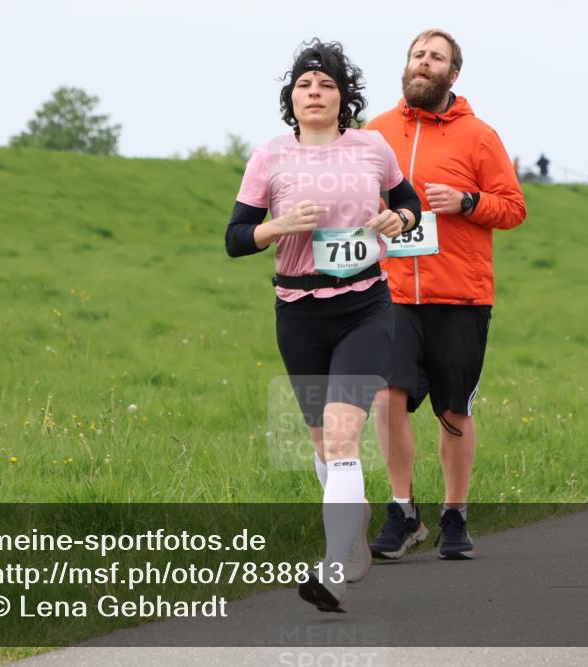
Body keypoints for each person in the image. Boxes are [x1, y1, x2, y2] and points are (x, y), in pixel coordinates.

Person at [225, 39, 421, 611]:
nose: (315, 93)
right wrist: (276, 226)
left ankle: (332, 570)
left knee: (341, 436)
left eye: (327, 85)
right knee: (325, 446)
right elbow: (236, 239)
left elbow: (407, 202)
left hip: (364, 307)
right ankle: (353, 537)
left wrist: (399, 215)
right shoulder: (269, 156)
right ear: (292, 97)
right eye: (305, 85)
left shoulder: (371, 147)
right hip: (299, 312)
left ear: (343, 98)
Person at [366, 29, 526, 560]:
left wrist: (466, 200)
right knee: (387, 398)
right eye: (417, 55)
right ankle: (403, 511)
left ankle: (454, 515)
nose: (423, 63)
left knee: (453, 411)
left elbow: (513, 208)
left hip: (460, 293)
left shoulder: (479, 136)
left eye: (435, 58)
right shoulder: (377, 132)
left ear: (452, 75)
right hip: (389, 294)